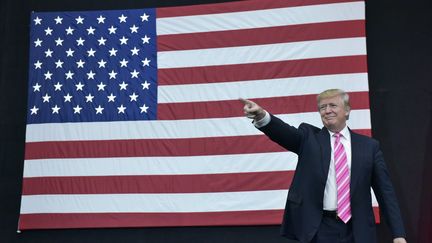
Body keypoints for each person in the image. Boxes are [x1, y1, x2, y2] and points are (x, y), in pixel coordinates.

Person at [241, 89, 406, 243]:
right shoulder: (308, 138)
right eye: (322, 107)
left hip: (357, 230)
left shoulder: (369, 147)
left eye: (333, 105)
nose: (327, 110)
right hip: (319, 229)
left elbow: (386, 193)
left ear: (347, 111)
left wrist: (398, 234)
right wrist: (262, 116)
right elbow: (284, 133)